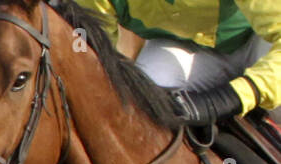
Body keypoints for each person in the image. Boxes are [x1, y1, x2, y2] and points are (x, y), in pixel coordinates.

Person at [78, 0, 281, 124]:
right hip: (184, 49)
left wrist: (233, 96)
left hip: (260, 42)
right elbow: (94, 68)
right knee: (147, 102)